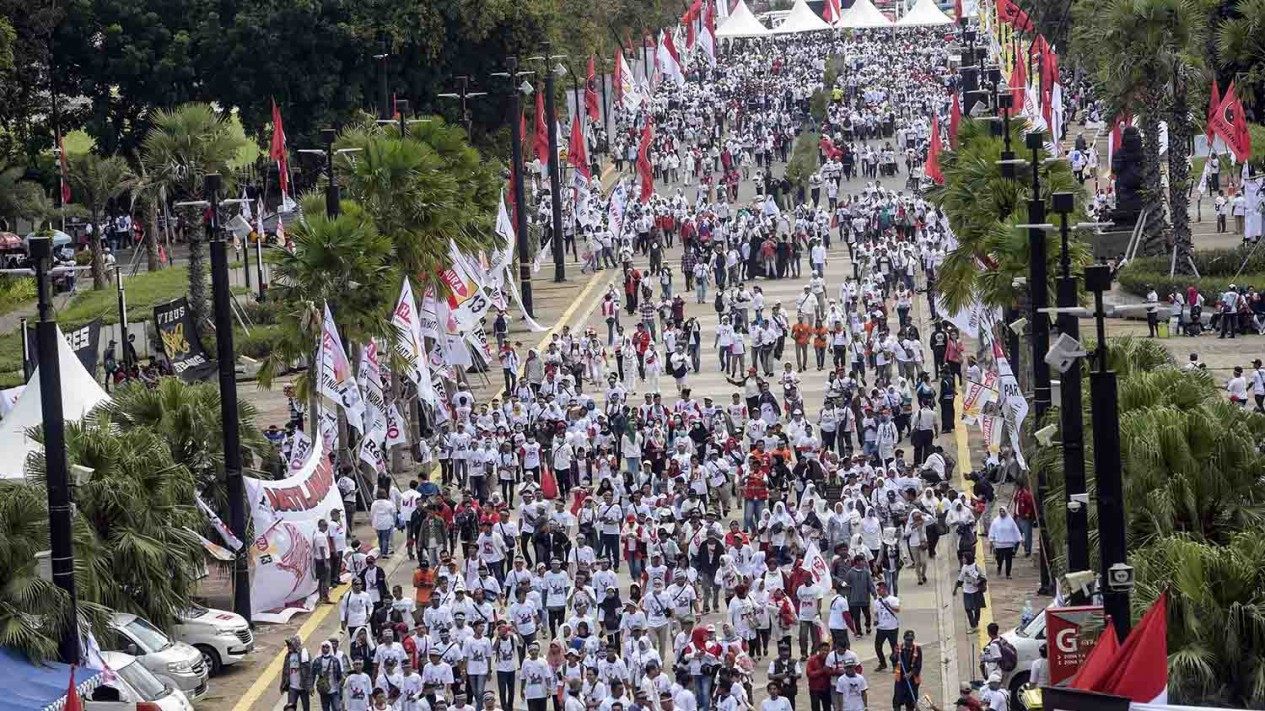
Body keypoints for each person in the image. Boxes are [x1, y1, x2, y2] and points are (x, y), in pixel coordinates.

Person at [952, 553, 988, 632]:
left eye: (964, 558)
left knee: (977, 609)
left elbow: (984, 578)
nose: (963, 559)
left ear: (968, 558)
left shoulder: (977, 567)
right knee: (968, 609)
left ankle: (975, 623)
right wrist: (955, 589)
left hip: (976, 591)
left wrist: (977, 583)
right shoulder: (964, 567)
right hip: (966, 591)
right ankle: (973, 626)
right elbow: (960, 580)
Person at [890, 630, 922, 711]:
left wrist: (910, 674)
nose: (909, 642)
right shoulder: (899, 648)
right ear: (904, 639)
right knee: (897, 702)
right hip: (900, 680)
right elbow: (893, 659)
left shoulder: (917, 649)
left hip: (912, 681)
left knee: (910, 703)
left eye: (911, 640)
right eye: (907, 640)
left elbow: (918, 666)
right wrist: (895, 654)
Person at [987, 506, 1022, 578]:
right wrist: (991, 540)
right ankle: (999, 567)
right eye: (1000, 511)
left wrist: (1020, 539)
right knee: (999, 558)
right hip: (999, 544)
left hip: (1009, 544)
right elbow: (992, 531)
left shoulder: (1011, 521)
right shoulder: (996, 521)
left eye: (1003, 511)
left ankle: (1008, 573)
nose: (1002, 513)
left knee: (1009, 559)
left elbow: (1016, 531)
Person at [281, 636, 314, 711]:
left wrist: (310, 686)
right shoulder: (288, 656)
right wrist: (283, 684)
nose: (289, 647)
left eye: (290, 645)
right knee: (290, 708)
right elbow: (285, 671)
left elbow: (309, 671)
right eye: (288, 645)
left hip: (303, 687)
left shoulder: (304, 654)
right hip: (292, 688)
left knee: (306, 708)